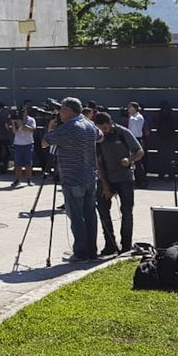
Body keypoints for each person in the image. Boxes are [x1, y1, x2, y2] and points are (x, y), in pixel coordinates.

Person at [42, 97, 103, 263]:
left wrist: (52, 128)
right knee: (90, 215)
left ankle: (80, 253)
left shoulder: (68, 128)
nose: (59, 113)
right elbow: (101, 136)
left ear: (68, 110)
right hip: (90, 177)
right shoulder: (89, 124)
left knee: (76, 216)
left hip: (73, 177)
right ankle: (92, 251)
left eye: (61, 110)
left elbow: (44, 143)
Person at [93, 111, 143, 256]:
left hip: (125, 178)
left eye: (106, 128)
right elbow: (99, 162)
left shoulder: (123, 133)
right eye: (100, 129)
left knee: (126, 212)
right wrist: (106, 186)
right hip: (106, 178)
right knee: (102, 211)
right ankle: (110, 244)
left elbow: (140, 151)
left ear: (110, 123)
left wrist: (130, 159)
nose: (104, 131)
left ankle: (126, 245)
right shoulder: (98, 138)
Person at [10, 107, 36, 187]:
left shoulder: (31, 120)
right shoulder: (16, 120)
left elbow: (32, 130)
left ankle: (29, 179)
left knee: (28, 163)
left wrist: (22, 123)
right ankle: (17, 180)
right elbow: (14, 131)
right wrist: (13, 122)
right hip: (18, 144)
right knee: (18, 163)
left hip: (28, 143)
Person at [126, 102, 150, 187]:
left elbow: (136, 129)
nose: (128, 109)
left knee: (137, 161)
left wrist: (130, 116)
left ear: (134, 108)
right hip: (132, 139)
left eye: (130, 108)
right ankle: (137, 180)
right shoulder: (132, 117)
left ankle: (141, 180)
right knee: (134, 161)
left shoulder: (138, 117)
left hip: (137, 139)